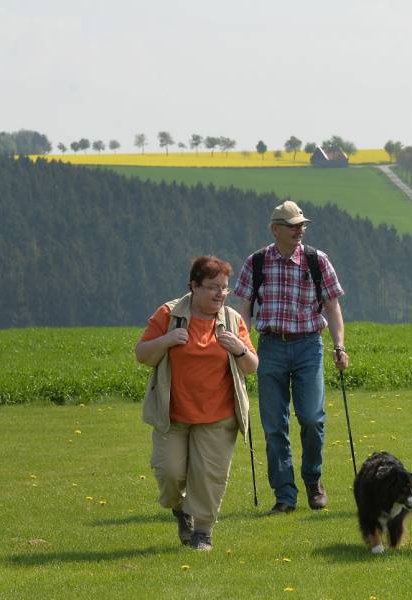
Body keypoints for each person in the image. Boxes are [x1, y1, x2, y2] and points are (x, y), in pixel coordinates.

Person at [233, 199, 349, 515]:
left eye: (301, 225)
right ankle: (285, 495)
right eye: (293, 226)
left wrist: (339, 345)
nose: (300, 230)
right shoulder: (256, 262)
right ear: (276, 230)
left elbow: (332, 307)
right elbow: (243, 309)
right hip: (269, 347)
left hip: (309, 345)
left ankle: (313, 480)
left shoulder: (317, 260)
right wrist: (243, 348)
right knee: (274, 427)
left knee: (312, 418)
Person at [136, 256, 258, 551]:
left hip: (219, 415)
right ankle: (180, 509)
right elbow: (142, 354)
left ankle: (203, 531)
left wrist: (240, 349)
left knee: (210, 477)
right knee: (169, 474)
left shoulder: (232, 320)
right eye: (213, 287)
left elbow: (252, 366)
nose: (220, 294)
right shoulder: (168, 313)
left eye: (225, 289)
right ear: (193, 286)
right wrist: (166, 340)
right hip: (173, 415)